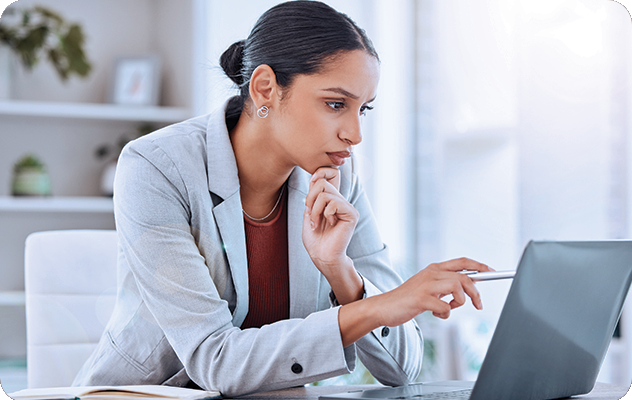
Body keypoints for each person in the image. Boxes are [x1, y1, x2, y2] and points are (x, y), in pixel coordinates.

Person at [73, 1, 490, 396]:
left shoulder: (339, 177)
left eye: (363, 109)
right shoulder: (156, 166)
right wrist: (377, 308)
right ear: (266, 88)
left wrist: (341, 272)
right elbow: (214, 360)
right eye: (335, 103)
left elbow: (402, 369)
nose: (354, 134)